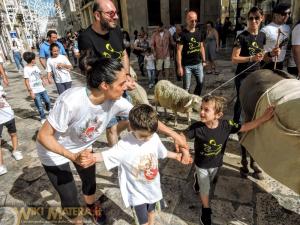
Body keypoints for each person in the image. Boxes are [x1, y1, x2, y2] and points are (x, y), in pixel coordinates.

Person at [36, 56, 189, 224]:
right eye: (122, 83)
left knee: (89, 182)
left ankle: (91, 205)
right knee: (69, 197)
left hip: (83, 146)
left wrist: (174, 135)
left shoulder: (117, 101)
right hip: (54, 151)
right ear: (104, 85)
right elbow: (43, 136)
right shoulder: (71, 101)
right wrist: (72, 156)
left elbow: (148, 119)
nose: (127, 87)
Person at [78, 104, 189, 225]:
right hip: (137, 194)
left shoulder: (154, 137)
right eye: (143, 136)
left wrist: (176, 156)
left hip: (153, 188)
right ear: (130, 127)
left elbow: (162, 152)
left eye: (150, 135)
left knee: (152, 212)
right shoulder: (125, 145)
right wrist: (92, 158)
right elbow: (107, 155)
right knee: (143, 221)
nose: (147, 138)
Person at [182, 95, 274, 225]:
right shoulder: (197, 127)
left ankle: (197, 179)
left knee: (209, 180)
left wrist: (263, 118)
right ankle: (206, 210)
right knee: (205, 188)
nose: (201, 112)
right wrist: (185, 151)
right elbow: (181, 136)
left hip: (216, 164)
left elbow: (245, 127)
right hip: (201, 164)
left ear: (218, 115)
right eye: (201, 108)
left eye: (206, 110)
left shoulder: (226, 125)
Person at [231, 6, 280, 179]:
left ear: (261, 19)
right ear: (247, 20)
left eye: (256, 18)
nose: (253, 21)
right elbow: (234, 58)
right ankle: (244, 154)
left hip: (258, 77)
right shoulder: (241, 37)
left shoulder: (262, 36)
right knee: (245, 114)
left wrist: (271, 54)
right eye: (250, 18)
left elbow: (263, 57)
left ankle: (254, 157)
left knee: (258, 113)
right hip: (243, 79)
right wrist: (251, 58)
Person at [78, 0, 131, 151]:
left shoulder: (116, 31)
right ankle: (116, 156)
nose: (115, 17)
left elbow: (123, 55)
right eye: (110, 13)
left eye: (116, 13)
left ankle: (128, 147)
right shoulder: (85, 37)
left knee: (131, 119)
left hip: (121, 86)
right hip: (102, 92)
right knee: (111, 128)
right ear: (97, 15)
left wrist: (126, 76)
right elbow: (86, 68)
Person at [177, 11, 206, 96]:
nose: (194, 23)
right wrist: (179, 67)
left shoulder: (199, 32)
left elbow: (201, 47)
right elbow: (178, 51)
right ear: (187, 20)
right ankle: (185, 105)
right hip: (187, 66)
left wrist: (204, 60)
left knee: (200, 83)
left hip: (198, 63)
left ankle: (195, 99)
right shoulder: (182, 35)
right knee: (186, 88)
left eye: (196, 20)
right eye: (192, 20)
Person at [0, 86, 23, 176]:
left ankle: (15, 151)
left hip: (8, 115)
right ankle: (1, 166)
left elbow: (3, 96)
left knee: (13, 134)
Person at [261, 3, 291, 70]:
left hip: (281, 64)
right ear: (275, 14)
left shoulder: (288, 28)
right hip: (267, 64)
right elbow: (257, 48)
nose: (287, 16)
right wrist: (267, 55)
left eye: (289, 13)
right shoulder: (265, 30)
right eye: (283, 14)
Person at [23, 52, 51, 124]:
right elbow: (26, 81)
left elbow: (40, 74)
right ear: (32, 60)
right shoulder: (26, 69)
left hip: (42, 89)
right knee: (40, 106)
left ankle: (48, 108)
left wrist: (44, 80)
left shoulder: (35, 67)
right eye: (34, 59)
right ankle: (43, 117)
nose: (35, 60)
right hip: (35, 91)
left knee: (47, 101)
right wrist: (30, 91)